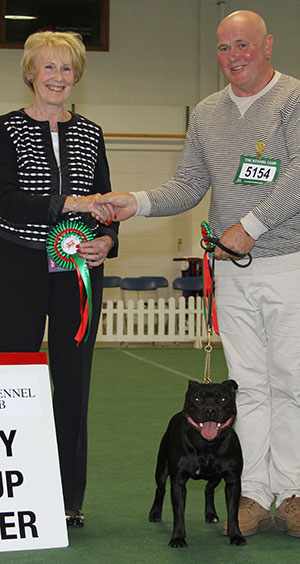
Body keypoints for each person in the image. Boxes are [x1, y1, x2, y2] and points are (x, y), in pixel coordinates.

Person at [94, 10, 300, 537]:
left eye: (243, 45)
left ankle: (294, 492)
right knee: (248, 388)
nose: (234, 56)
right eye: (224, 48)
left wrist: (249, 225)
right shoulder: (207, 113)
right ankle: (252, 493)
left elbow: (298, 175)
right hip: (229, 271)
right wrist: (133, 202)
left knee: (292, 382)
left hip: (287, 262)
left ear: (268, 45)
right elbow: (188, 184)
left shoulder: (294, 98)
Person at [0, 31, 119, 526]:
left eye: (66, 69)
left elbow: (107, 204)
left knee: (73, 382)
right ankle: (11, 491)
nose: (57, 77)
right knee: (12, 378)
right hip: (17, 267)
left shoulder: (92, 134)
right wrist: (69, 205)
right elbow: (6, 198)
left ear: (77, 76)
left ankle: (70, 500)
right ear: (31, 73)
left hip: (77, 272)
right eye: (48, 68)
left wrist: (106, 241)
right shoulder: (5, 130)